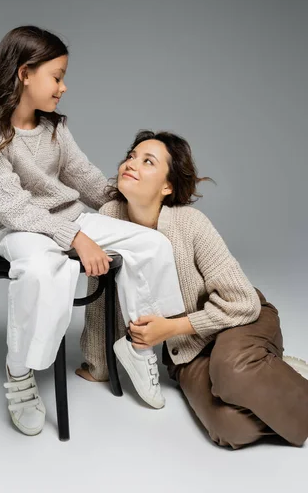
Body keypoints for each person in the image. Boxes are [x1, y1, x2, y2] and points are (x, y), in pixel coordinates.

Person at [0, 26, 185, 436]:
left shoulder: (55, 129)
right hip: (16, 229)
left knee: (153, 244)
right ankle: (19, 372)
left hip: (68, 218)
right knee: (43, 270)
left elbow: (87, 179)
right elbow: (12, 208)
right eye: (56, 76)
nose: (63, 86)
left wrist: (136, 197)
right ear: (25, 73)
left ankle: (139, 345)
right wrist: (75, 239)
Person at [77, 129, 308, 449]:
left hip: (242, 321)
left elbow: (243, 302)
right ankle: (274, 378)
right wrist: (100, 366)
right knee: (230, 430)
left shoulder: (190, 223)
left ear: (167, 186)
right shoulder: (109, 218)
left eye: (148, 161)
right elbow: (100, 300)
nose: (131, 164)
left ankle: (261, 373)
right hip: (187, 351)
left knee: (229, 370)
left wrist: (170, 327)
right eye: (131, 156)